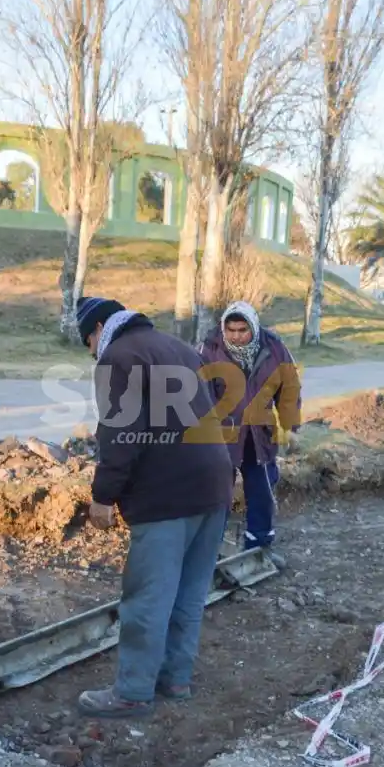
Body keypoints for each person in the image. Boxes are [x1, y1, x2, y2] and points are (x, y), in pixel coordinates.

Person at [74, 295, 234, 719]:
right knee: (189, 594)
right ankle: (175, 680)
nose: (92, 352)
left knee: (147, 597)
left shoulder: (118, 358)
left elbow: (120, 432)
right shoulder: (178, 347)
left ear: (98, 329)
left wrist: (104, 496)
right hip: (214, 485)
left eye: (87, 342)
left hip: (168, 494)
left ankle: (132, 693)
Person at [198, 300, 302, 569]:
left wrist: (290, 426)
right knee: (216, 495)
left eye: (242, 330)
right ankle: (207, 557)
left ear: (253, 328)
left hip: (260, 436)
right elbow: (201, 394)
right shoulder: (210, 349)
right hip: (223, 437)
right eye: (230, 330)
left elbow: (289, 387)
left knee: (262, 493)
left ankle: (259, 550)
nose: (236, 336)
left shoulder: (274, 347)